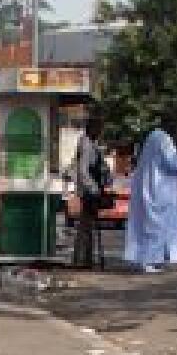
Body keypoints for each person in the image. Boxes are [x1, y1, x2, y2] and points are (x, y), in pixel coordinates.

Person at [124, 117, 177, 271]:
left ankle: (162, 258)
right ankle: (150, 261)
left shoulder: (155, 136)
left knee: (162, 226)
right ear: (169, 124)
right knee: (157, 227)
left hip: (157, 190)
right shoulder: (163, 138)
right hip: (160, 192)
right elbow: (175, 164)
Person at [63, 107, 113, 268]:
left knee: (87, 226)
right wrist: (93, 188)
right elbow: (83, 170)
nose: (100, 132)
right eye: (99, 128)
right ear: (92, 128)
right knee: (85, 227)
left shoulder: (91, 144)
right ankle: (81, 260)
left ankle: (85, 259)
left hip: (89, 189)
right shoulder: (86, 144)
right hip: (88, 192)